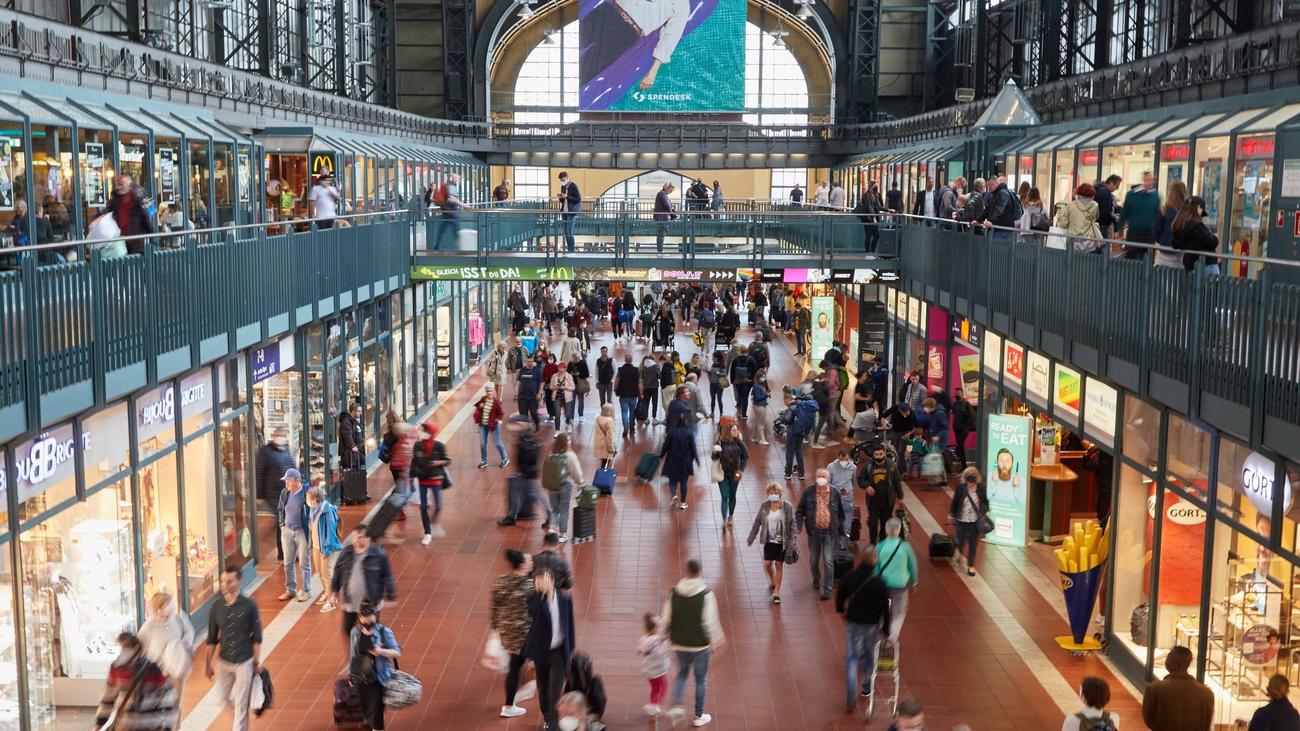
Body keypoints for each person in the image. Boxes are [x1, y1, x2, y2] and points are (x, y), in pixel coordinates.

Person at [661, 559, 725, 727]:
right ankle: (698, 715)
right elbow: (709, 622)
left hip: (679, 643)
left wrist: (663, 636)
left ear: (686, 571)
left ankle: (676, 706)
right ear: (700, 572)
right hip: (700, 646)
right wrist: (717, 640)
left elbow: (666, 618)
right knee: (701, 679)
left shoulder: (674, 592)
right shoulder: (706, 594)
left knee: (681, 674)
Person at [204, 566, 262, 731]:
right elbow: (211, 639)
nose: (225, 584)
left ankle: (240, 726)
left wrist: (256, 662)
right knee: (222, 697)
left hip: (244, 661)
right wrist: (207, 665)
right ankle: (240, 717)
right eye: (223, 581)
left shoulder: (249, 605)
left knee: (241, 705)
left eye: (229, 581)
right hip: (224, 660)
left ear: (239, 582)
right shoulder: (216, 607)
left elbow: (257, 637)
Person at [837, 546, 891, 710]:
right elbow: (885, 607)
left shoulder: (849, 577)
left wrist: (841, 610)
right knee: (869, 655)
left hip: (853, 622)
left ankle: (850, 696)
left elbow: (840, 596)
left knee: (852, 657)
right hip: (871, 624)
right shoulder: (879, 582)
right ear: (874, 562)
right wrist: (886, 628)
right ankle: (867, 686)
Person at [522, 570, 576, 729]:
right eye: (536, 582)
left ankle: (553, 725)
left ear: (551, 580)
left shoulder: (565, 599)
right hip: (542, 653)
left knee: (555, 691)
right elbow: (534, 614)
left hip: (559, 651)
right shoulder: (534, 600)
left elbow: (569, 625)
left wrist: (571, 648)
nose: (539, 584)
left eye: (541, 580)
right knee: (543, 689)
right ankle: (547, 717)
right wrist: (543, 595)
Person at [94, 632, 178, 731]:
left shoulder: (152, 669)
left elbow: (167, 697)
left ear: (135, 649)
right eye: (119, 648)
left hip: (149, 725)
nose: (121, 653)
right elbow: (108, 698)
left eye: (125, 648)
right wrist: (99, 723)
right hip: (126, 725)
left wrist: (167, 726)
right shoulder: (116, 669)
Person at [330, 524, 398, 638]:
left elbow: (387, 575)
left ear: (368, 539)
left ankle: (370, 653)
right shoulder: (346, 552)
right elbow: (338, 571)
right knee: (348, 630)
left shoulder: (378, 554)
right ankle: (355, 652)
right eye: (354, 536)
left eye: (360, 537)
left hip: (371, 603)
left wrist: (391, 594)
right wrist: (334, 590)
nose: (356, 540)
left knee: (371, 633)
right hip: (351, 602)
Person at [493, 549, 536, 719]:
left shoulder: (500, 581)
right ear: (523, 565)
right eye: (530, 561)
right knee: (528, 665)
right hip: (526, 635)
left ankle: (510, 703)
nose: (532, 563)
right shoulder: (530, 586)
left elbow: (495, 608)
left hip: (507, 632)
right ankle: (512, 702)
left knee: (514, 666)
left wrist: (496, 627)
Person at [348, 600, 402, 731]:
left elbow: (397, 652)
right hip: (362, 679)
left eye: (370, 616)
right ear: (360, 617)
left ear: (375, 615)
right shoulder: (355, 632)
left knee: (376, 718)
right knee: (368, 710)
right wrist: (352, 675)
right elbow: (353, 655)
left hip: (379, 679)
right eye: (364, 616)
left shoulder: (384, 631)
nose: (367, 619)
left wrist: (381, 651)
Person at [797, 468, 849, 600]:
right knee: (814, 560)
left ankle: (827, 589)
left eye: (823, 476)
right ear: (815, 477)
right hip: (813, 532)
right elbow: (800, 510)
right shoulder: (809, 492)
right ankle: (816, 578)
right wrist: (798, 525)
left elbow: (841, 513)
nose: (821, 478)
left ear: (828, 478)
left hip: (829, 533)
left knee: (828, 561)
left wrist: (841, 530)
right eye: (819, 475)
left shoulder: (834, 492)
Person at [1140, 645, 1213, 730]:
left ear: (1175, 664)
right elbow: (1207, 722)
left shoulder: (1154, 689)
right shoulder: (1206, 693)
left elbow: (1149, 719)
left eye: (1168, 658)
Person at [747, 482, 797, 604]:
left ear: (780, 494)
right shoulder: (764, 506)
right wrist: (751, 537)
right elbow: (757, 522)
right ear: (767, 494)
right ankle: (772, 581)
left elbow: (793, 524)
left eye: (776, 493)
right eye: (771, 493)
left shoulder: (787, 507)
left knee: (779, 565)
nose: (773, 495)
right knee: (767, 564)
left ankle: (777, 592)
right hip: (769, 541)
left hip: (782, 542)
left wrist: (793, 541)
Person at [138, 592, 194, 696]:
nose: (170, 608)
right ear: (157, 608)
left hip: (177, 667)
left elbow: (189, 632)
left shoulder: (178, 618)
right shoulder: (148, 627)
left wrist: (182, 643)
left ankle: (177, 709)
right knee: (163, 700)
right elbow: (140, 647)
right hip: (160, 671)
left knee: (177, 700)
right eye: (166, 605)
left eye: (171, 604)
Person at [254, 427, 294, 559]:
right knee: (282, 520)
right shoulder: (265, 452)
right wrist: (259, 495)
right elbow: (259, 473)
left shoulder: (285, 449)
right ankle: (283, 552)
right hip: (271, 492)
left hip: (286, 491)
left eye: (282, 434)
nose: (280, 437)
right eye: (278, 435)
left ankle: (287, 550)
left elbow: (291, 466)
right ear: (273, 436)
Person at [876, 517, 918, 639]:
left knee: (882, 610)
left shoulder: (880, 546)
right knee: (900, 611)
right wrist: (914, 582)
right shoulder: (906, 547)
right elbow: (912, 566)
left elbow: (875, 567)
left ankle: (881, 631)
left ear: (886, 530)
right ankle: (892, 637)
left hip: (883, 584)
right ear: (899, 530)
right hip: (900, 585)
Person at [276, 467, 313, 602]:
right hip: (287, 532)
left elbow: (314, 510)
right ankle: (290, 590)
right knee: (287, 562)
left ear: (297, 481)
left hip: (302, 532)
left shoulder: (307, 493)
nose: (286, 484)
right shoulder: (285, 493)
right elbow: (280, 509)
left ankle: (306, 590)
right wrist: (282, 526)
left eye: (288, 481)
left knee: (304, 562)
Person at [411, 421, 449, 542]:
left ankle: (432, 523)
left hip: (435, 479)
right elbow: (414, 462)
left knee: (438, 506)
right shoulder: (417, 445)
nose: (421, 432)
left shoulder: (439, 446)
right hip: (422, 480)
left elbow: (447, 460)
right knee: (423, 507)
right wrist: (411, 478)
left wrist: (439, 462)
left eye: (424, 430)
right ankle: (427, 532)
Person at [306, 484, 343, 610]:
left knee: (327, 573)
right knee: (319, 572)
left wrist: (326, 548)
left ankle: (331, 600)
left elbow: (330, 532)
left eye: (308, 498)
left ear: (315, 499)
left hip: (326, 547)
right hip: (316, 546)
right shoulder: (313, 510)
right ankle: (327, 593)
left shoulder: (327, 511)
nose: (307, 500)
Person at [947, 467, 989, 577]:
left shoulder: (981, 488)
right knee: (960, 541)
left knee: (973, 544)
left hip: (975, 521)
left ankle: (970, 565)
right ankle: (959, 552)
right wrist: (951, 514)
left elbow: (985, 502)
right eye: (968, 474)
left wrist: (983, 512)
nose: (971, 476)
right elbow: (955, 501)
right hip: (962, 519)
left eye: (973, 474)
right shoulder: (961, 488)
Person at [542, 431, 583, 541]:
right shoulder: (570, 455)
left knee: (554, 509)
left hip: (552, 486)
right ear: (565, 443)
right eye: (568, 440)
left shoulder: (551, 454)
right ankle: (562, 534)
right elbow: (576, 472)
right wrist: (580, 482)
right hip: (565, 486)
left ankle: (552, 529)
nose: (570, 441)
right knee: (564, 510)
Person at [102, 173, 155, 254]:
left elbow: (146, 217)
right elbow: (108, 213)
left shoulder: (138, 197)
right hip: (120, 240)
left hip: (135, 239)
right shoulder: (115, 199)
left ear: (129, 185)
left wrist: (151, 235)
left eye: (121, 184)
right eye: (118, 184)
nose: (119, 187)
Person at [1172, 196, 1222, 275]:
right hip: (1206, 263)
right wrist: (1215, 237)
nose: (1201, 214)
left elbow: (1176, 244)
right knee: (1211, 287)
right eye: (1202, 210)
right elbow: (1211, 241)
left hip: (1190, 263)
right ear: (1198, 207)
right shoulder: (1196, 225)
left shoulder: (1180, 223)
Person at [637, 612, 673, 717]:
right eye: (659, 627)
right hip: (658, 670)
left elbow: (640, 650)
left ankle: (653, 704)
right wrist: (667, 642)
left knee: (655, 688)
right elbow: (660, 652)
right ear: (654, 628)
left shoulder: (643, 639)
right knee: (664, 687)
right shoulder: (656, 640)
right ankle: (654, 706)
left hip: (649, 670)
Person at [715, 421, 749, 528]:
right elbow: (714, 458)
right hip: (722, 473)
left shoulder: (740, 443)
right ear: (728, 431)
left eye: (736, 429)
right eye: (733, 430)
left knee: (732, 495)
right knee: (725, 496)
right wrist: (714, 452)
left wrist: (741, 470)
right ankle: (724, 519)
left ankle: (730, 515)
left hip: (735, 474)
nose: (736, 431)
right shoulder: (720, 442)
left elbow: (746, 457)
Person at [661, 415, 699, 510]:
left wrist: (661, 455)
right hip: (685, 461)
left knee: (672, 481)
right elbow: (693, 449)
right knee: (683, 482)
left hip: (672, 460)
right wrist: (697, 460)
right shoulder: (689, 433)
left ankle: (674, 495)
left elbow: (665, 446)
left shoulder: (672, 433)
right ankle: (683, 503)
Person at [1119, 171, 1160, 259]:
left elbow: (1158, 215)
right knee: (1131, 259)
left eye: (1152, 180)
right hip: (1134, 233)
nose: (1150, 182)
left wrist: (1157, 233)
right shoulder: (1132, 195)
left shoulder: (1155, 196)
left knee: (1148, 260)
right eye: (1147, 180)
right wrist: (1120, 230)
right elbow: (1124, 213)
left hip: (1149, 235)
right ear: (1143, 180)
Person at [1153, 180, 1189, 268]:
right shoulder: (1187, 212)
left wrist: (1162, 240)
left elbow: (1156, 232)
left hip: (1165, 250)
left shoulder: (1164, 210)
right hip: (1181, 251)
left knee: (1161, 277)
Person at [473, 383, 509, 469]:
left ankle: (505, 458)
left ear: (493, 391)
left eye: (491, 390)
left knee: (497, 442)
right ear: (486, 391)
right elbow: (478, 406)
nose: (489, 392)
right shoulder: (483, 399)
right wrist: (480, 406)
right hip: (483, 424)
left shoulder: (496, 401)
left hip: (494, 425)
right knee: (482, 442)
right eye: (488, 390)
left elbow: (501, 413)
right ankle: (484, 460)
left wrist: (499, 420)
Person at [431, 172, 464, 250]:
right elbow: (452, 198)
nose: (459, 180)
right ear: (454, 178)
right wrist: (464, 205)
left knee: (442, 229)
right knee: (456, 229)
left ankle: (436, 246)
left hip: (446, 210)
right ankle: (461, 247)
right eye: (458, 179)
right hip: (450, 211)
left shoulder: (448, 184)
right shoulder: (451, 185)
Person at [615, 353, 641, 438]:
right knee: (632, 411)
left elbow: (617, 380)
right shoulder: (636, 370)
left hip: (623, 394)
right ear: (631, 360)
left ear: (625, 360)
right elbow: (640, 382)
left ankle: (625, 426)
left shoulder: (621, 370)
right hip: (633, 394)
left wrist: (615, 389)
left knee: (624, 411)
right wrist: (641, 393)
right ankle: (632, 427)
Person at [728, 344, 756, 420]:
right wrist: (753, 381)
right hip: (748, 382)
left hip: (737, 381)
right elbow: (754, 371)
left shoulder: (735, 359)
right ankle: (744, 415)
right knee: (745, 397)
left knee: (739, 395)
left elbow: (732, 371)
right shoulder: (751, 359)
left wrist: (732, 380)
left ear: (739, 351)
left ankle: (739, 409)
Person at [550, 361, 577, 430]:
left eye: (562, 368)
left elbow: (573, 387)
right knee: (557, 414)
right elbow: (551, 387)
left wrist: (565, 387)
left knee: (567, 414)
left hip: (566, 398)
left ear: (565, 369)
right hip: (557, 397)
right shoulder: (554, 376)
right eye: (559, 368)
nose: (560, 369)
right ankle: (557, 430)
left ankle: (568, 423)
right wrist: (555, 387)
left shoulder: (569, 376)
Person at [338, 400, 364, 470]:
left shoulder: (355, 422)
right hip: (350, 456)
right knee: (351, 476)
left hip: (357, 455)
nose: (361, 413)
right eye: (359, 411)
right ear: (353, 411)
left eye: (361, 411)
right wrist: (352, 446)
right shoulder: (346, 422)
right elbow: (347, 435)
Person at [1096, 174, 1122, 238]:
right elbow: (1105, 213)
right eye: (1117, 185)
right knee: (1103, 246)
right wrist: (1114, 218)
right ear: (1110, 183)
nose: (1117, 188)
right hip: (1103, 226)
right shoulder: (1106, 193)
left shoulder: (1099, 190)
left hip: (1099, 224)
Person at [594, 402, 617, 471]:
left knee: (603, 462)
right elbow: (610, 437)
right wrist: (611, 448)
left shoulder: (598, 419)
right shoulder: (609, 421)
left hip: (599, 444)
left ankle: (601, 476)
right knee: (606, 464)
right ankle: (602, 478)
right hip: (606, 445)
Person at [751, 369, 772, 445]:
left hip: (758, 405)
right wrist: (766, 395)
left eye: (764, 376)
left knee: (757, 421)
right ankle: (762, 440)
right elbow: (757, 398)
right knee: (761, 424)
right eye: (762, 376)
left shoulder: (760, 385)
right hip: (760, 406)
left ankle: (754, 437)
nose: (763, 378)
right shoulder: (757, 386)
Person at [654, 182, 676, 252]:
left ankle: (660, 249)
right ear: (666, 188)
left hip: (662, 217)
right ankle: (660, 250)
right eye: (670, 190)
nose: (671, 192)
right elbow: (667, 205)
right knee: (661, 234)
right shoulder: (662, 194)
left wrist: (671, 212)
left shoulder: (663, 194)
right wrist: (672, 214)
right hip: (661, 217)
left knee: (661, 234)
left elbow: (668, 205)